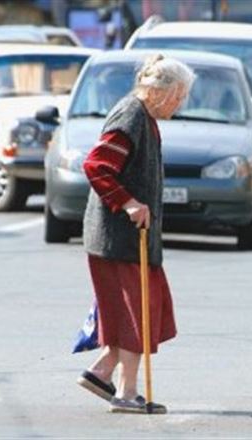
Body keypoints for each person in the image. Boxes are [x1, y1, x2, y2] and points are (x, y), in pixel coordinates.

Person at [77, 54, 194, 415]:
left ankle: (102, 372)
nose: (180, 104)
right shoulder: (131, 115)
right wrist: (128, 203)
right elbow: (96, 166)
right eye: (179, 97)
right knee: (135, 314)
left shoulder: (144, 117)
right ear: (161, 92)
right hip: (120, 239)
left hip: (128, 239)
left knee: (137, 311)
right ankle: (126, 393)